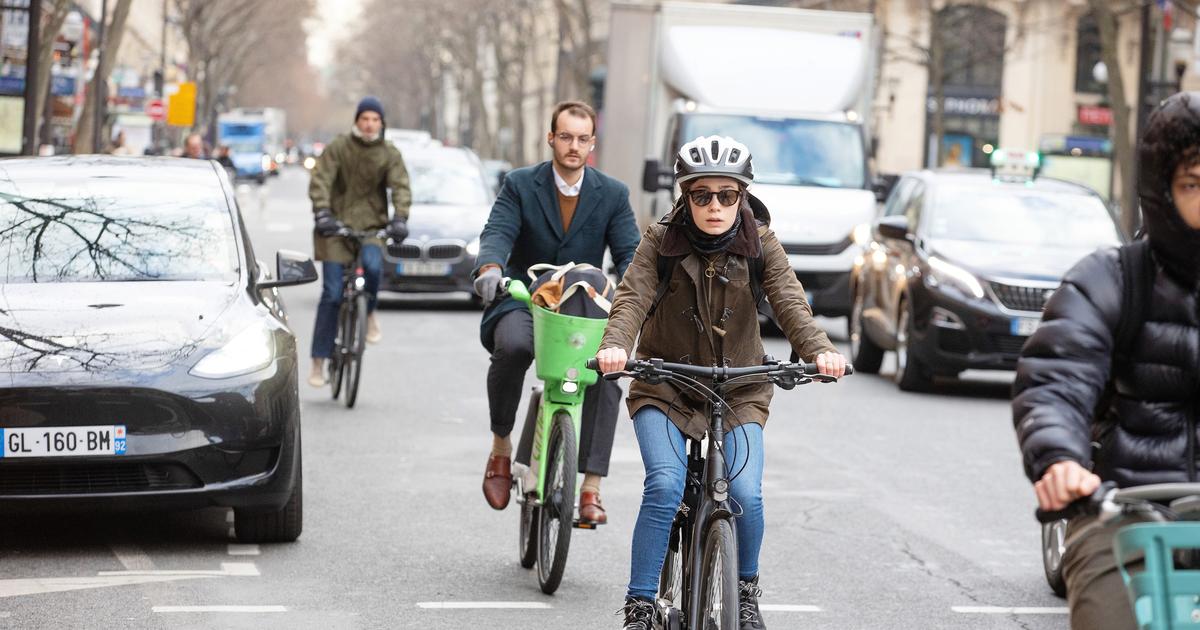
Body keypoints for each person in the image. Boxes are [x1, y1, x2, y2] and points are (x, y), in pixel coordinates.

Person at [595, 136, 847, 630]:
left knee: (747, 495)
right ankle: (640, 605)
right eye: (702, 195)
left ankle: (746, 592)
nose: (715, 206)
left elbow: (791, 302)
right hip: (665, 382)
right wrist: (616, 346)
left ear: (743, 196)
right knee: (665, 484)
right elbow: (631, 298)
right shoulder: (658, 240)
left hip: (740, 386)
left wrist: (820, 350)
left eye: (727, 195)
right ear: (685, 196)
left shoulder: (762, 244)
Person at [1012, 91, 1200, 630]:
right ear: (1161, 190)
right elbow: (1056, 381)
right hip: (1126, 515)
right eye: (1193, 184)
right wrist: (1060, 461)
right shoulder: (1110, 279)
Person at [473, 100, 640, 522]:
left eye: (583, 139)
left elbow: (630, 255)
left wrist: (640, 291)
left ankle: (590, 488)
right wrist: (491, 268)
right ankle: (500, 449)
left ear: (592, 144)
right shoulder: (520, 184)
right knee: (512, 347)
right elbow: (498, 232)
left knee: (608, 369)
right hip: (525, 298)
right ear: (551, 138)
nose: (573, 146)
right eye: (565, 137)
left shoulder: (613, 194)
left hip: (583, 307)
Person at [307, 96, 411, 387]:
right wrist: (322, 213)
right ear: (356, 121)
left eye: (375, 120)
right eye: (365, 119)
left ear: (381, 123)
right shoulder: (339, 147)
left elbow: (401, 185)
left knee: (374, 269)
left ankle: (370, 310)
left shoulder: (389, 153)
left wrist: (400, 217)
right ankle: (318, 361)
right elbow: (321, 181)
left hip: (372, 228)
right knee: (331, 294)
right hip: (336, 229)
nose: (369, 124)